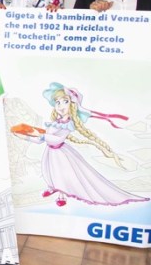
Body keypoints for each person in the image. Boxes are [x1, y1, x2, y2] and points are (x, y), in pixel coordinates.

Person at [12, 83, 148, 207]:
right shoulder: (55, 122)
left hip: (61, 153)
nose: (60, 105)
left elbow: (57, 140)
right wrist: (26, 137)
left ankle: (62, 194)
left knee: (62, 174)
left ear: (72, 105)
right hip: (50, 152)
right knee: (49, 170)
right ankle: (52, 187)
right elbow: (43, 140)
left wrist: (40, 135)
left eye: (65, 101)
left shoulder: (68, 124)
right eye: (57, 102)